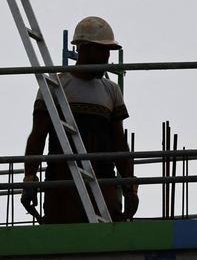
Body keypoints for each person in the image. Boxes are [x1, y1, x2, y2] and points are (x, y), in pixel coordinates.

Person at [21, 16, 138, 223]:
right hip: (63, 182)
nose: (106, 57)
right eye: (101, 51)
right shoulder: (55, 87)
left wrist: (130, 187)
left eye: (108, 51)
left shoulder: (111, 91)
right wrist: (30, 179)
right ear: (83, 49)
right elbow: (38, 136)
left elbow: (119, 142)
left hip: (103, 181)